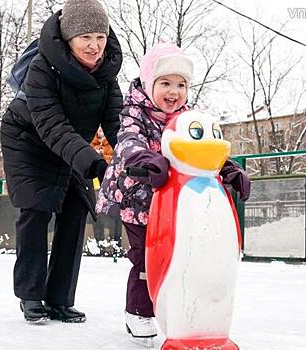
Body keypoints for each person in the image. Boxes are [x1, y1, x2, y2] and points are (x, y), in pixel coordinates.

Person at [96, 42, 250, 338]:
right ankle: (138, 311)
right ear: (148, 83)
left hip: (172, 202)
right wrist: (145, 158)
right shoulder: (134, 112)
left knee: (179, 255)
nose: (173, 91)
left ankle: (178, 306)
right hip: (136, 198)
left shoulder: (189, 118)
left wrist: (230, 169)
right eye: (165, 83)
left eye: (181, 84)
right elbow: (128, 142)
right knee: (145, 256)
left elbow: (203, 149)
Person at [0, 0, 123, 323]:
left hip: (70, 145)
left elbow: (118, 124)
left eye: (100, 36)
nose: (95, 46)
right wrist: (94, 163)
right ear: (68, 38)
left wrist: (134, 157)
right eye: (86, 38)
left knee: (76, 206)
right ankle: (30, 295)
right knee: (36, 207)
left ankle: (59, 299)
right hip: (27, 138)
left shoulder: (107, 72)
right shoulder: (43, 68)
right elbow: (52, 125)